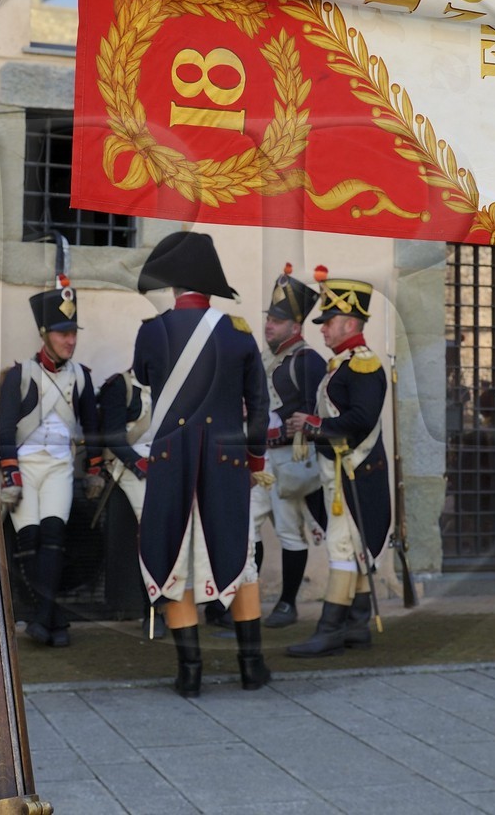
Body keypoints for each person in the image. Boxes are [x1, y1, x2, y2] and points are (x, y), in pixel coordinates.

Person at [132, 231, 272, 696]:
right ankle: (252, 670)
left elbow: (149, 382)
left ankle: (189, 675)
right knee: (239, 559)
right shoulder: (238, 333)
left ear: (174, 284)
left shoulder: (151, 332)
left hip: (172, 462)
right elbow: (258, 401)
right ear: (211, 284)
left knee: (176, 561)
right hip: (228, 463)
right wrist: (254, 459)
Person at [283, 270, 391, 658]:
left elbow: (361, 419)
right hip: (340, 469)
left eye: (327, 323)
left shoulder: (362, 365)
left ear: (349, 322)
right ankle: (357, 626)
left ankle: (329, 631)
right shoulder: (343, 364)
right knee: (352, 546)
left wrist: (314, 424)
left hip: (353, 471)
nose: (323, 331)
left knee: (342, 548)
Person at [0, 278, 102, 648]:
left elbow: (93, 427)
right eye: (62, 333)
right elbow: (5, 427)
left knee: (54, 536)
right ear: (44, 334)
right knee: (30, 539)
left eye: (73, 332)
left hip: (59, 467)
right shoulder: (20, 375)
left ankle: (41, 618)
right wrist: (10, 472)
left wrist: (94, 470)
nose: (70, 340)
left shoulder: (82, 377)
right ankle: (53, 619)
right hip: (23, 467)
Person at [253, 264, 328, 629]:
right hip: (259, 461)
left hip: (287, 460)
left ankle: (287, 603)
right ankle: (244, 603)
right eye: (269, 317)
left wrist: (279, 431)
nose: (269, 324)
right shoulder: (268, 358)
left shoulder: (308, 360)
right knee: (245, 528)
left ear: (295, 327)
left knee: (287, 531)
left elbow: (314, 414)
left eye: (277, 320)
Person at [96, 355, 163, 639]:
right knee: (151, 535)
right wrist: (138, 463)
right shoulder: (119, 386)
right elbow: (112, 435)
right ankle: (152, 609)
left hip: (164, 467)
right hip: (130, 468)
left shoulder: (168, 386)